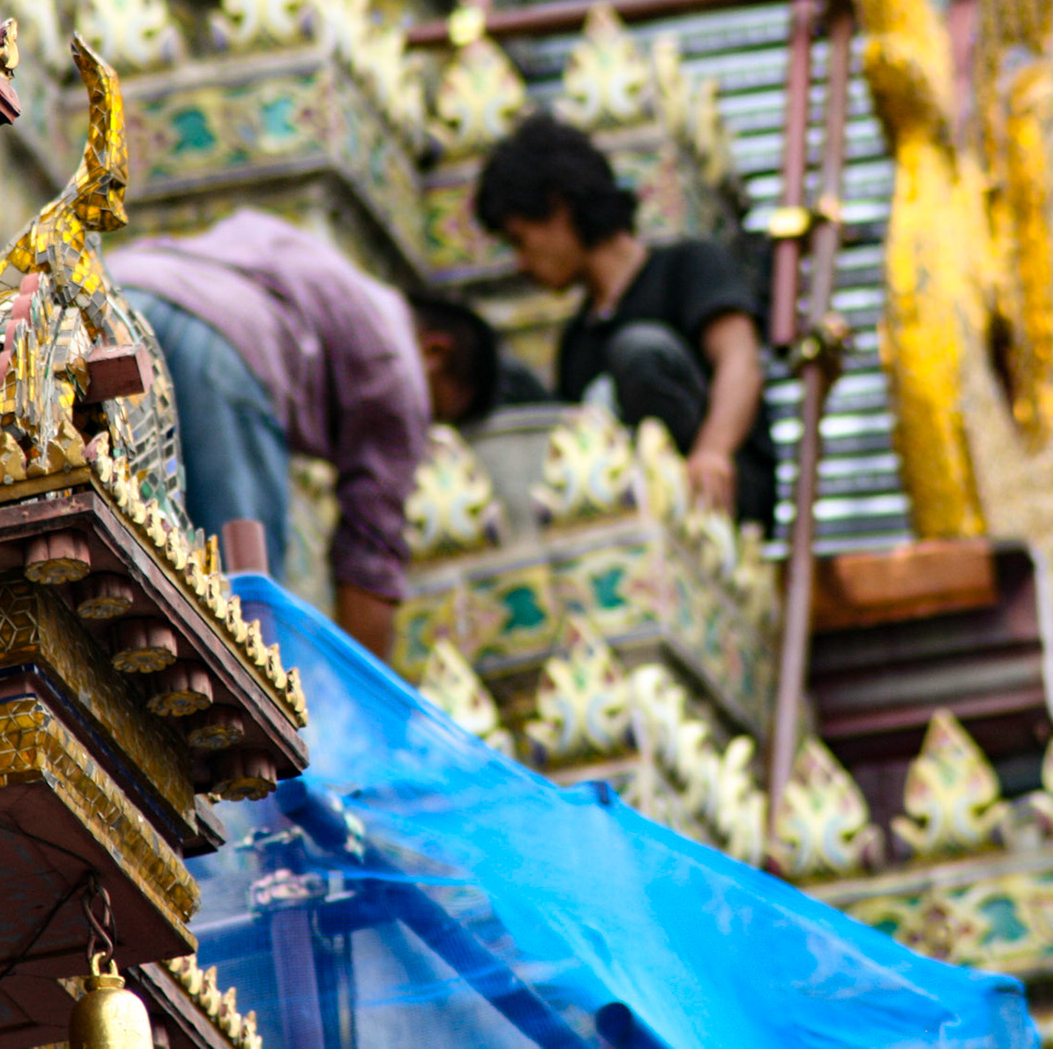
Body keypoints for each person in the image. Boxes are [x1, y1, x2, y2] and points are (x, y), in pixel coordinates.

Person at [107, 210, 500, 657]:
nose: (416, 432)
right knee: (244, 613)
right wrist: (359, 712)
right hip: (216, 349)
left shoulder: (315, 265)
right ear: (435, 353)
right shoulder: (403, 369)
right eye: (433, 416)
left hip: (112, 294)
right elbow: (370, 560)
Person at [474, 112, 775, 528]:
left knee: (639, 351)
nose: (521, 263)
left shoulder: (688, 265)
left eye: (520, 241)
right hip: (629, 495)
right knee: (501, 381)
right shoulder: (578, 339)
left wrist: (713, 451)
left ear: (558, 210)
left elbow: (741, 362)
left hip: (717, 485)